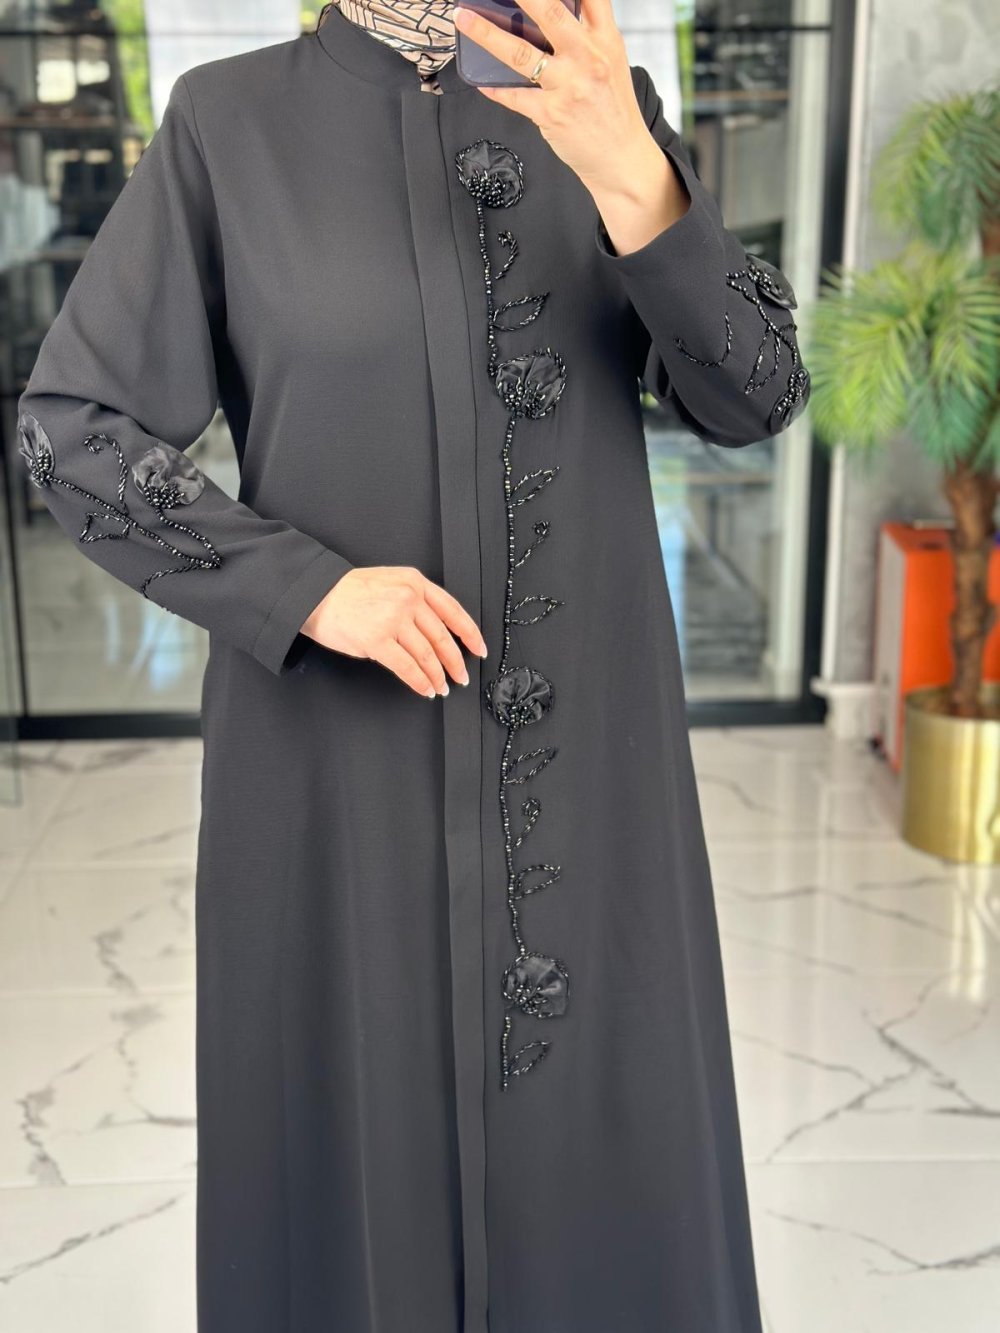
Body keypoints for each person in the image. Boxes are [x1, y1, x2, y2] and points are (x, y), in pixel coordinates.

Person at [15, 0, 809, 1328]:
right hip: (335, 766)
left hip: (586, 766)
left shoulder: (598, 108)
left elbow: (758, 392)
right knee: (350, 1132)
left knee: (605, 1139)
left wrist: (632, 171)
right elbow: (72, 429)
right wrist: (304, 587)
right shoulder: (230, 125)